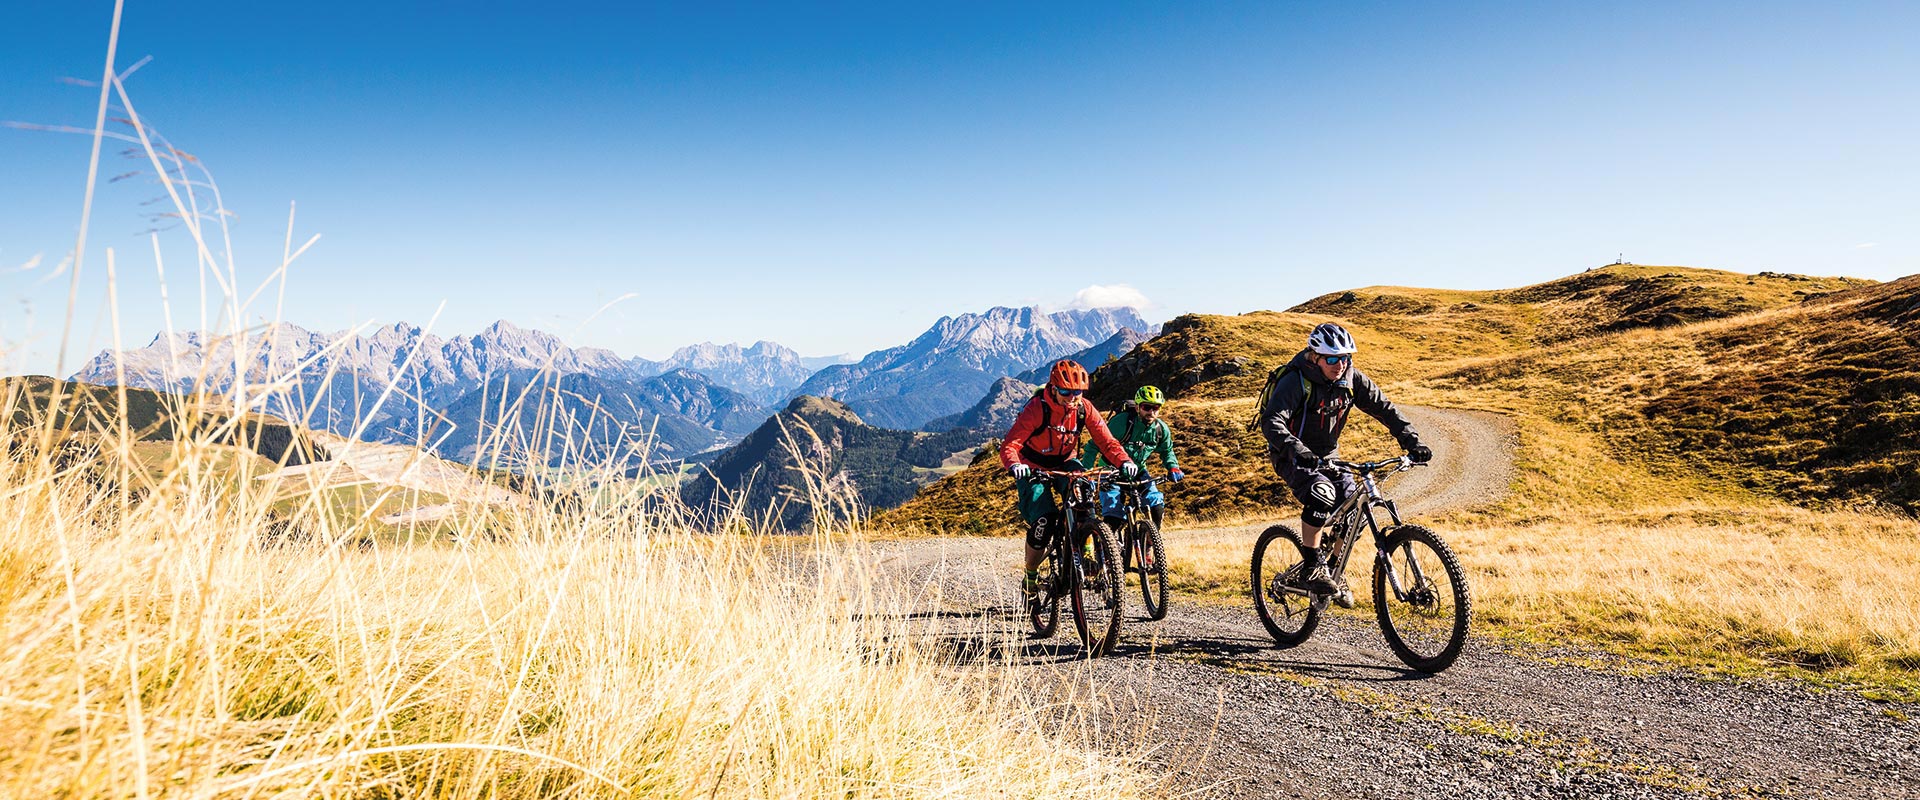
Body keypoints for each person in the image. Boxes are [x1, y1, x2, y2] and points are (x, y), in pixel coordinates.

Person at [1258, 323, 1432, 595]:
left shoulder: (1351, 379)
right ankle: (1312, 566)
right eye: (1332, 359)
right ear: (1315, 357)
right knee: (1322, 493)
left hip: (1329, 456)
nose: (1339, 364)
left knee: (1356, 508)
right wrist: (1296, 449)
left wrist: (1411, 440)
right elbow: (1271, 421)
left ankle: (1334, 569)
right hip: (1291, 455)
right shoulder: (1295, 380)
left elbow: (1385, 409)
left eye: (1345, 358)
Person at [1000, 360, 1139, 594]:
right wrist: (1015, 465)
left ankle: (1085, 551)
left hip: (1065, 461)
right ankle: (1030, 580)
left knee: (1083, 494)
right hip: (1032, 465)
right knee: (1044, 521)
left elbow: (1107, 442)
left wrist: (1125, 461)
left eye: (1078, 392)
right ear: (1053, 388)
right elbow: (1010, 446)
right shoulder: (1037, 408)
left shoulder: (1084, 408)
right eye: (1066, 392)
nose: (1072, 398)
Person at [1082, 385, 1185, 534]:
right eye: (1146, 407)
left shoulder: (1160, 429)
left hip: (1138, 471)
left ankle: (1150, 542)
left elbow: (1167, 451)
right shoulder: (1121, 423)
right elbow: (1093, 446)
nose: (1151, 412)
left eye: (1156, 408)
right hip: (1109, 471)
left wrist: (1173, 467)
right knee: (1113, 514)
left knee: (1156, 504)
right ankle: (1109, 551)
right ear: (1137, 407)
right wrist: (1087, 472)